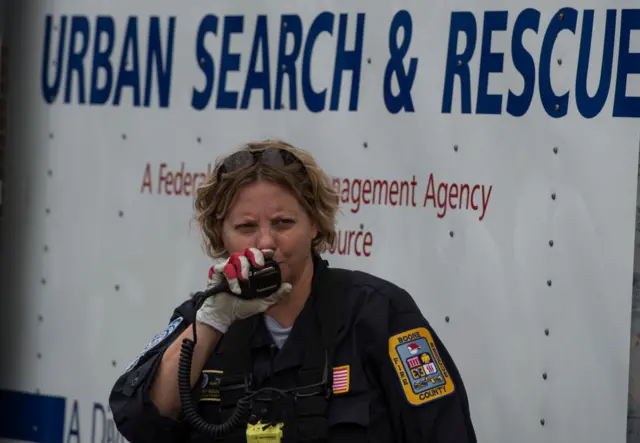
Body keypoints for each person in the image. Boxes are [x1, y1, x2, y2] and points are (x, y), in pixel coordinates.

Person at [109, 140, 477, 442]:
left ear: (315, 224)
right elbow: (140, 422)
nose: (266, 241)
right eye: (246, 226)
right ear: (220, 234)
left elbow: (446, 432)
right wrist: (213, 322)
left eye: (284, 223)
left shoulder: (379, 313)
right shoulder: (206, 317)